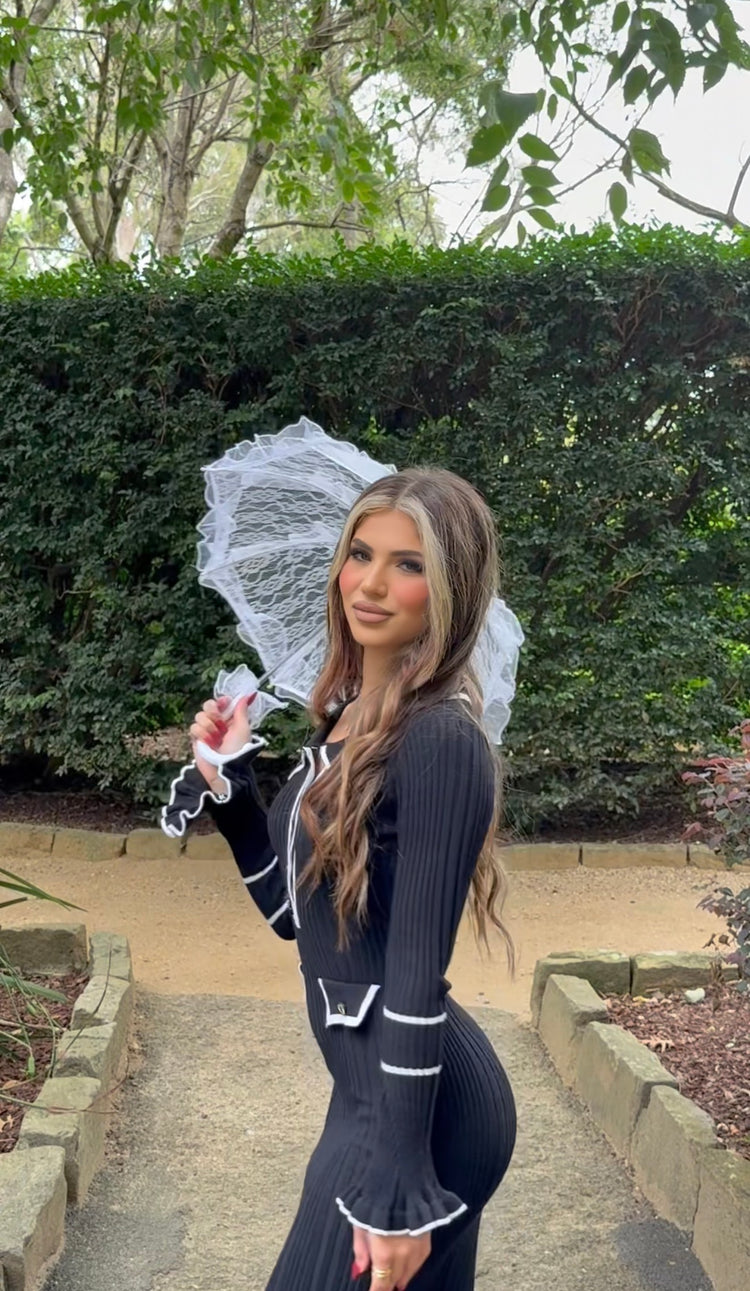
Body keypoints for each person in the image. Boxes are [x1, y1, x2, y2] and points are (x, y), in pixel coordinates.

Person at [164, 467, 517, 1291]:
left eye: (408, 564)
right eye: (361, 553)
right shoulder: (348, 720)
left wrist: (397, 1179)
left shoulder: (441, 741)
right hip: (372, 1093)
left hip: (421, 1112)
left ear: (452, 589)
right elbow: (295, 917)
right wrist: (231, 787)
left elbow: (416, 974)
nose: (371, 583)